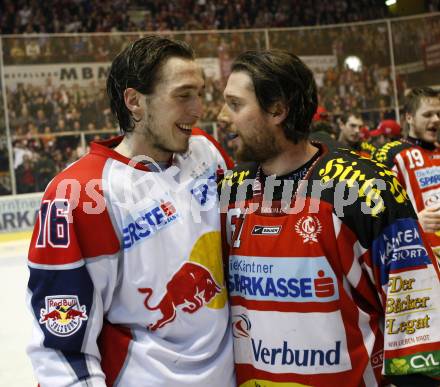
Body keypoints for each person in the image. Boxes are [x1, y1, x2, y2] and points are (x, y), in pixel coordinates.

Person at [219, 50, 440, 386]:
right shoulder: (231, 190)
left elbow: (418, 317)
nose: (222, 116)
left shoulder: (366, 188)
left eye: (235, 104)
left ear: (277, 109)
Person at [26, 36, 235, 387]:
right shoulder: (77, 194)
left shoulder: (204, 151)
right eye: (183, 95)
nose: (199, 109)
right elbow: (62, 347)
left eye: (200, 94)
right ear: (135, 101)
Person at [374, 88, 440, 259]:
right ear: (409, 117)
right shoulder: (391, 155)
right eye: (428, 115)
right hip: (417, 257)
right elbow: (373, 212)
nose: (436, 119)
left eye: (438, 114)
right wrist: (413, 222)